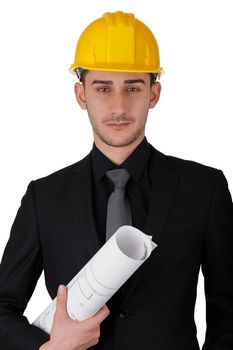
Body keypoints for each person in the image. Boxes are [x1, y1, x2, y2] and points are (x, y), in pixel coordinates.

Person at [0, 10, 233, 350]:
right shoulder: (43, 198)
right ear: (81, 95)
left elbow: (229, 313)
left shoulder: (204, 189)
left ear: (154, 93)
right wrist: (50, 348)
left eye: (133, 87)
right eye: (103, 88)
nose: (119, 106)